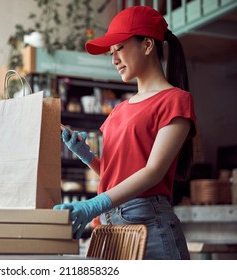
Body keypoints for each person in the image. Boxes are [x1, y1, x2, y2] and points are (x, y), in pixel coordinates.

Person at [54, 6, 196, 260]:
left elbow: (153, 172)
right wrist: (87, 157)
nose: (114, 59)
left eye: (119, 48)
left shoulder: (175, 100)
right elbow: (117, 175)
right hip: (111, 228)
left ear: (148, 45)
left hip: (150, 227)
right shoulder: (119, 110)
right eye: (111, 53)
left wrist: (94, 204)